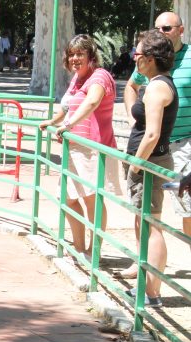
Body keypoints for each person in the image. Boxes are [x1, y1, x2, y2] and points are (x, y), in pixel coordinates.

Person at [39, 34, 121, 260]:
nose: (75, 58)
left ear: (91, 56)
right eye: (72, 54)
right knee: (67, 198)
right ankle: (79, 246)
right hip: (75, 147)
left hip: (93, 148)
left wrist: (68, 125)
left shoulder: (99, 76)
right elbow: (68, 106)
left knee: (91, 200)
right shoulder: (77, 78)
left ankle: (93, 252)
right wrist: (53, 121)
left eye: (80, 54)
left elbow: (92, 102)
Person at [124, 11, 191, 275]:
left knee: (186, 208)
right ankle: (144, 264)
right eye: (156, 28)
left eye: (165, 28)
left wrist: (134, 165)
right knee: (147, 213)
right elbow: (131, 86)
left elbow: (152, 133)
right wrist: (134, 117)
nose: (160, 32)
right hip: (154, 146)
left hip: (184, 141)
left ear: (180, 30)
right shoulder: (147, 62)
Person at [123, 29, 178, 308]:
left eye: (138, 54)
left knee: (152, 227)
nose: (134, 59)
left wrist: (135, 164)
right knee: (144, 224)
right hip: (147, 161)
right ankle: (146, 286)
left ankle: (152, 293)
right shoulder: (155, 83)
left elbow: (153, 134)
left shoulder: (157, 87)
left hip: (149, 163)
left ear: (150, 58)